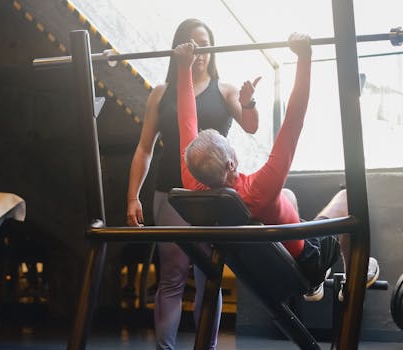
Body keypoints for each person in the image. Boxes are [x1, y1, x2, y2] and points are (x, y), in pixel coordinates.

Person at [174, 32, 380, 302]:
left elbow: (186, 123)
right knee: (348, 196)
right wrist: (305, 57)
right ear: (231, 161)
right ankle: (356, 269)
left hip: (271, 264)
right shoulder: (261, 187)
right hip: (308, 259)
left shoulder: (194, 183)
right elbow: (295, 118)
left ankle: (317, 283)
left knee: (288, 196)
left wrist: (183, 68)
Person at [126, 18, 260, 350]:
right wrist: (132, 197)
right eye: (191, 45)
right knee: (170, 277)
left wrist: (250, 101)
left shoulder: (225, 90)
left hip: (214, 198)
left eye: (204, 45)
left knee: (208, 278)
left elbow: (251, 127)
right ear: (179, 51)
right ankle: (165, 348)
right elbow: (144, 148)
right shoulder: (161, 93)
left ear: (212, 51)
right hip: (170, 192)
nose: (198, 52)